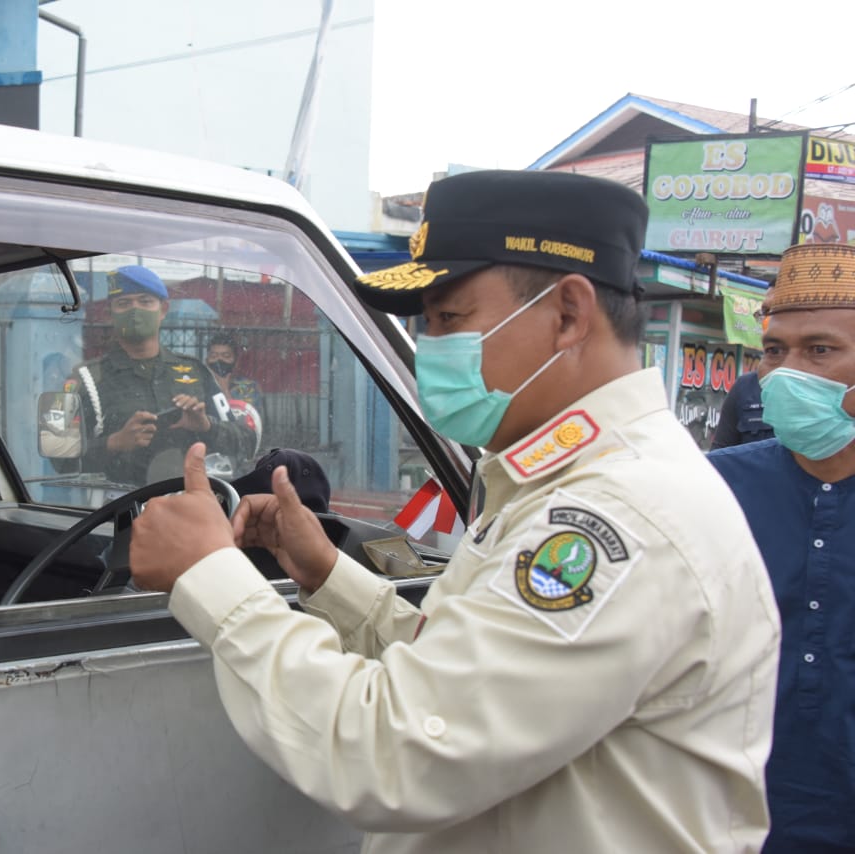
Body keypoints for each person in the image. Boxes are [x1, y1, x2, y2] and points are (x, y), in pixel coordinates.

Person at [129, 170, 780, 852]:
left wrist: (210, 575)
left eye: (449, 320)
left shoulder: (617, 517)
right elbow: (459, 670)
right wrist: (325, 573)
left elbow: (398, 752)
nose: (431, 349)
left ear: (568, 314)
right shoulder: (561, 481)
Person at [707, 242, 855, 853]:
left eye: (819, 350)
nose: (787, 370)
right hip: (726, 817)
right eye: (773, 351)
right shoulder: (709, 488)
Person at [61, 265, 252, 485]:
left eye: (145, 301)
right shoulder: (84, 380)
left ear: (163, 310)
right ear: (109, 313)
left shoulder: (196, 372)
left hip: (189, 500)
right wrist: (114, 443)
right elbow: (59, 457)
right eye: (124, 303)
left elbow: (246, 442)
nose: (135, 311)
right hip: (120, 503)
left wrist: (206, 426)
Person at [710, 282, 775, 449]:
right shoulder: (745, 387)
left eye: (777, 311)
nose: (768, 321)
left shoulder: (828, 386)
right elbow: (720, 456)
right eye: (765, 312)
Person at [206, 331, 265, 461]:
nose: (219, 360)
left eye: (226, 356)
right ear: (207, 360)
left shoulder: (248, 387)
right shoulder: (200, 386)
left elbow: (245, 424)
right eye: (214, 356)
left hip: (239, 452)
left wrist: (224, 390)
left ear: (235, 361)